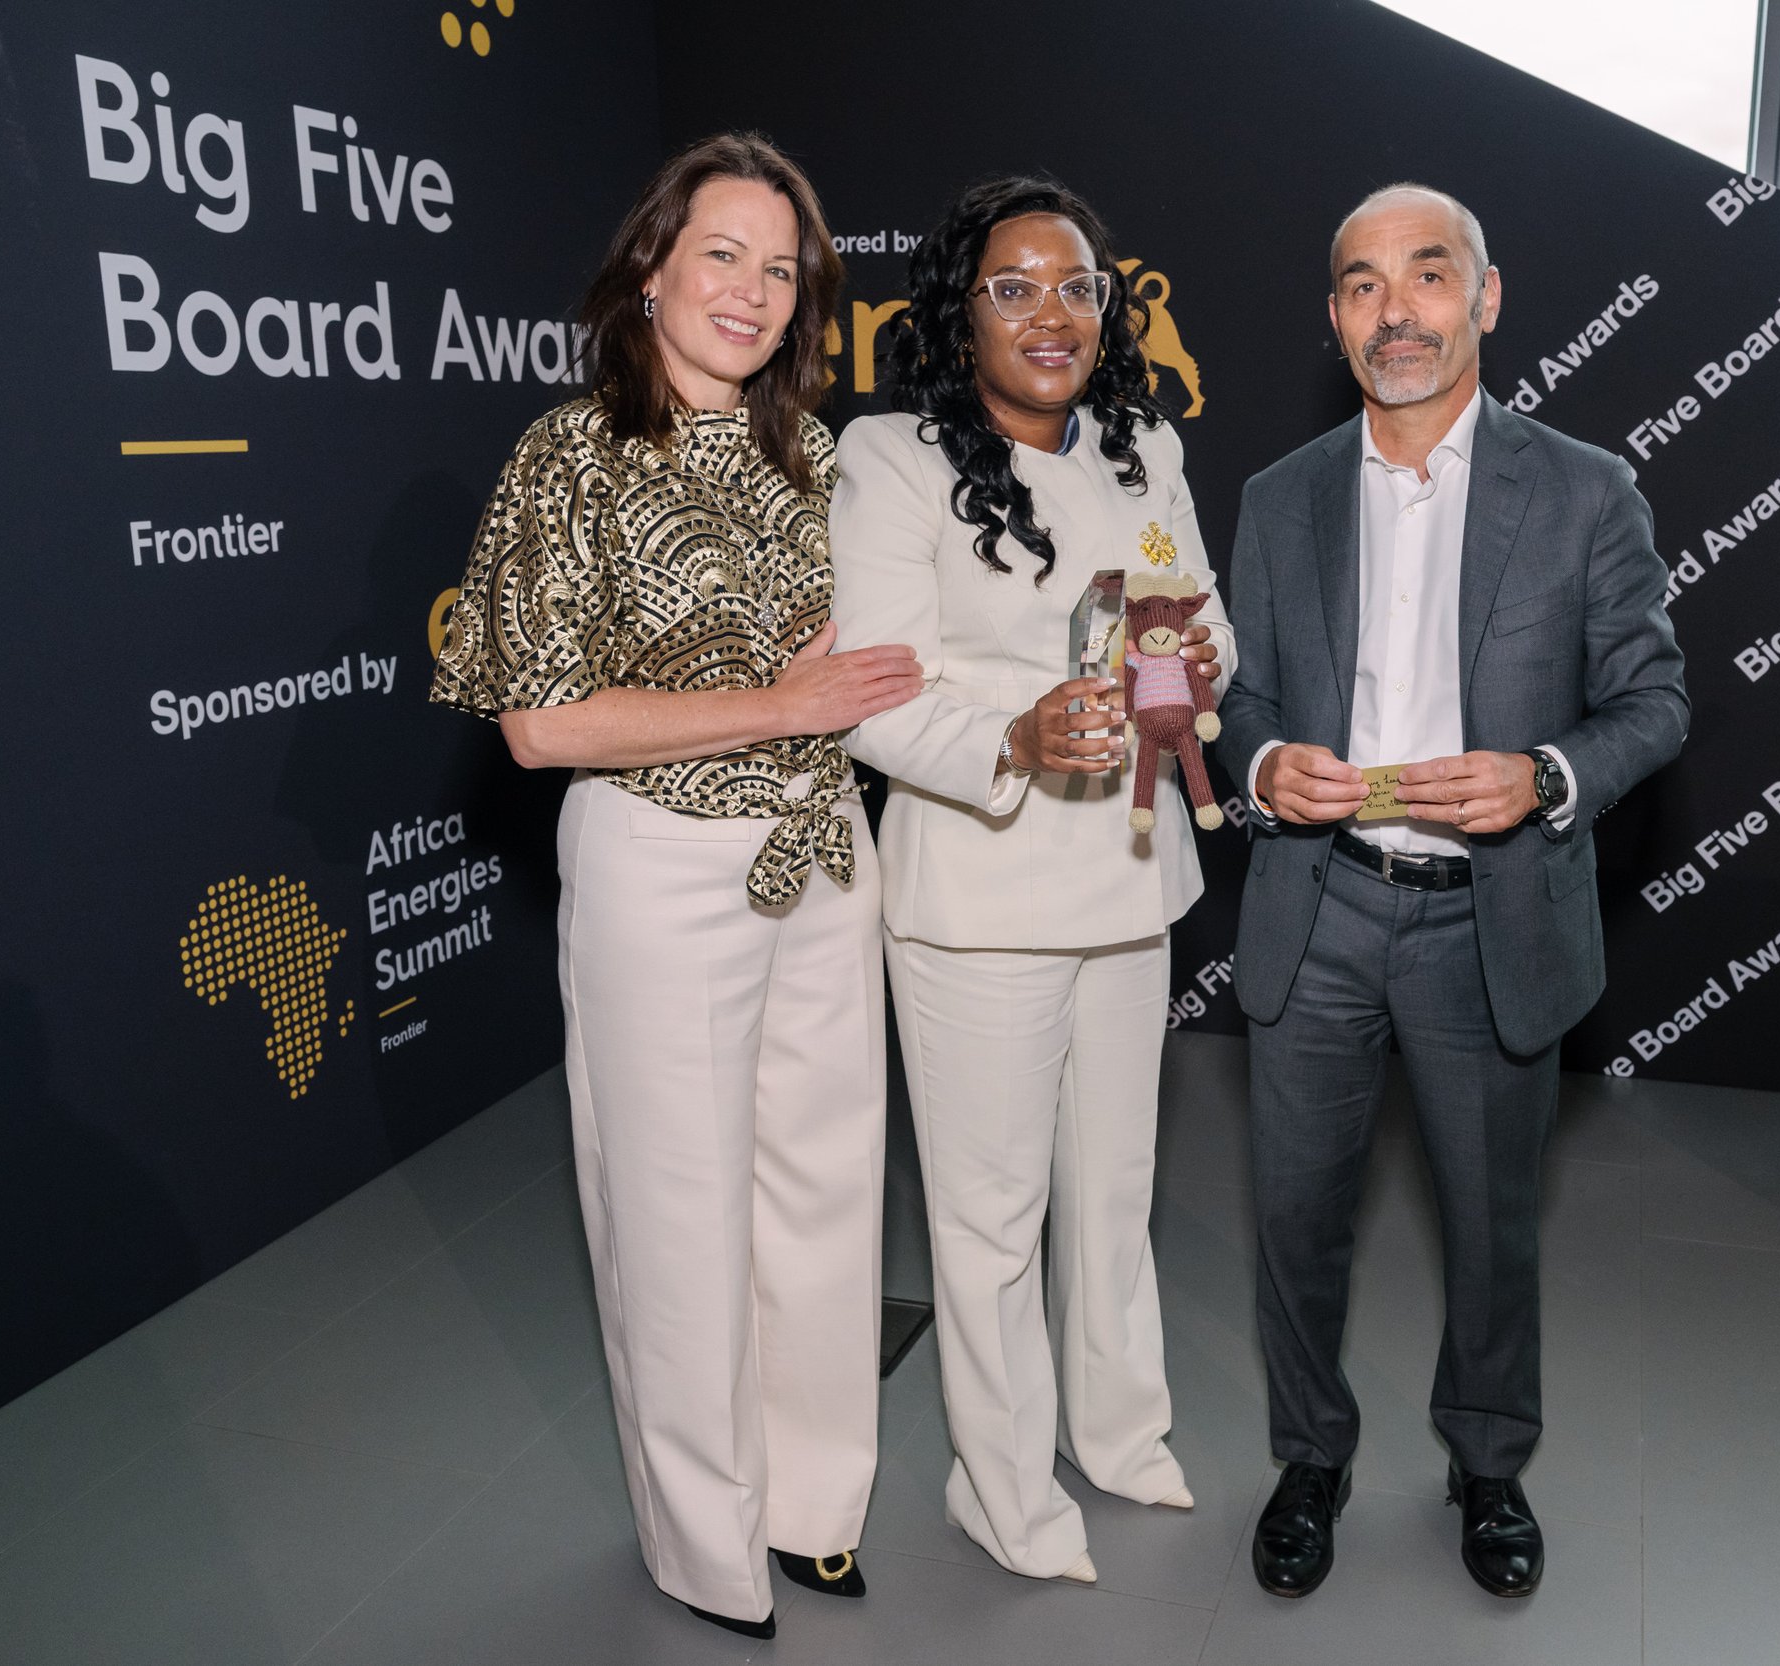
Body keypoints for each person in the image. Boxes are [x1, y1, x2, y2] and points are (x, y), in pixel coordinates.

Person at [427, 133, 922, 1642]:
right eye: (722, 254)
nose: (752, 292)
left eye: (781, 270)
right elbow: (539, 726)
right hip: (660, 865)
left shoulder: (816, 459)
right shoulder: (568, 453)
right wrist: (777, 705)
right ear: (651, 266)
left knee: (827, 1195)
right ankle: (708, 1546)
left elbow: (867, 667)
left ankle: (814, 1505)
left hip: (822, 853)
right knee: (676, 1211)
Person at [1213, 184, 1688, 1602]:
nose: (1396, 311)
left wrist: (1545, 775)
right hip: (1320, 903)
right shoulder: (1279, 497)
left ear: (1485, 297)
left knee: (1490, 1223)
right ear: (1335, 319)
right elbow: (1239, 702)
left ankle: (1488, 1463)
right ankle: (1310, 1455)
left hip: (1493, 913)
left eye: (1427, 275)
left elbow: (1653, 702)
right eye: (1362, 285)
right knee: (1295, 1218)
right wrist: (1265, 765)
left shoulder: (1586, 488)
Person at [828, 176, 1233, 1585]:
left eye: (1076, 287)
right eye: (1012, 288)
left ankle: (1120, 1435)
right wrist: (1013, 733)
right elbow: (873, 693)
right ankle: (999, 1488)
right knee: (991, 1219)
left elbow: (1202, 625)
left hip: (1131, 872)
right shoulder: (890, 458)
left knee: (1114, 1188)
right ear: (962, 310)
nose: (1049, 314)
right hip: (980, 891)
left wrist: (1189, 674)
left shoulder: (1142, 444)